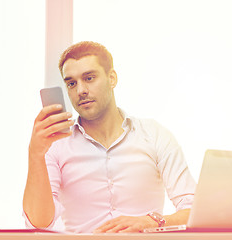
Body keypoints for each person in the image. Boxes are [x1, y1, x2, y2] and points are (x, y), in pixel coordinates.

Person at [23, 41, 196, 233]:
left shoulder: (155, 135)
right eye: (71, 83)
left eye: (89, 78)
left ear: (112, 78)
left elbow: (194, 211)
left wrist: (151, 221)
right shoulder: (55, 145)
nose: (80, 90)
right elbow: (39, 223)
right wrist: (35, 153)